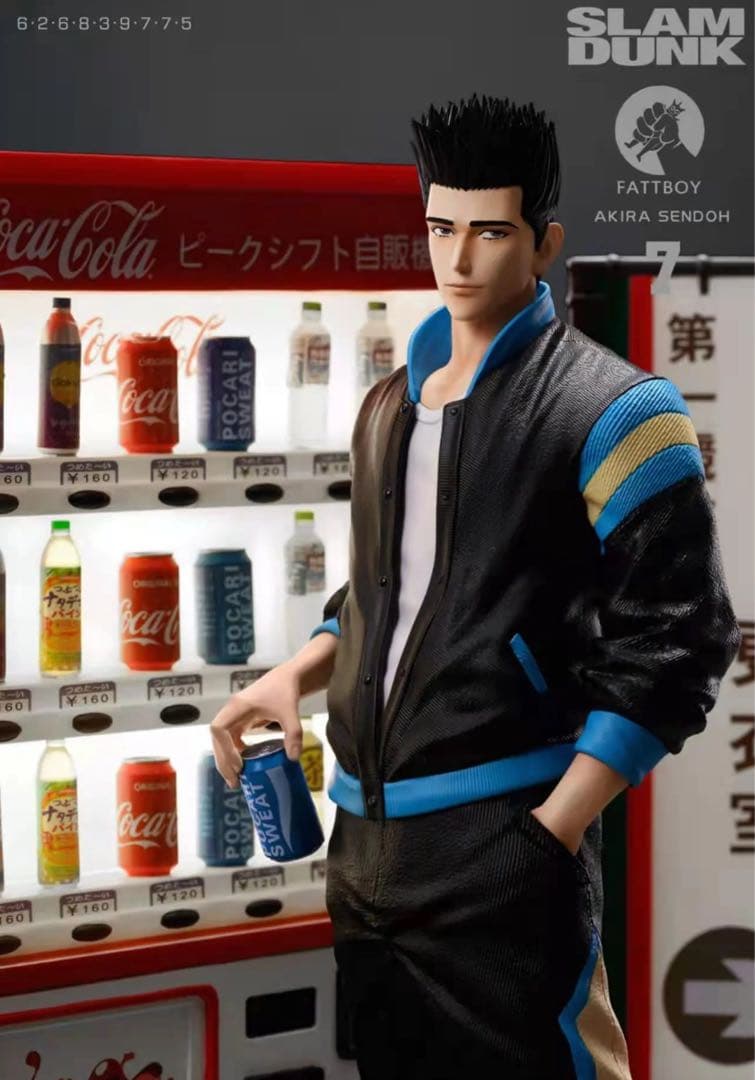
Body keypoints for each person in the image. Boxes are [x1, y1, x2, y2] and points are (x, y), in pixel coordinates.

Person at [211, 94, 741, 1079]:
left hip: (501, 831)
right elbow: (388, 596)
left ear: (544, 244)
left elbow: (681, 640)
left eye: (489, 232)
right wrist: (298, 671)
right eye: (439, 229)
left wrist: (550, 832)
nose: (456, 259)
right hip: (361, 846)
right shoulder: (387, 406)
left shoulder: (620, 410)